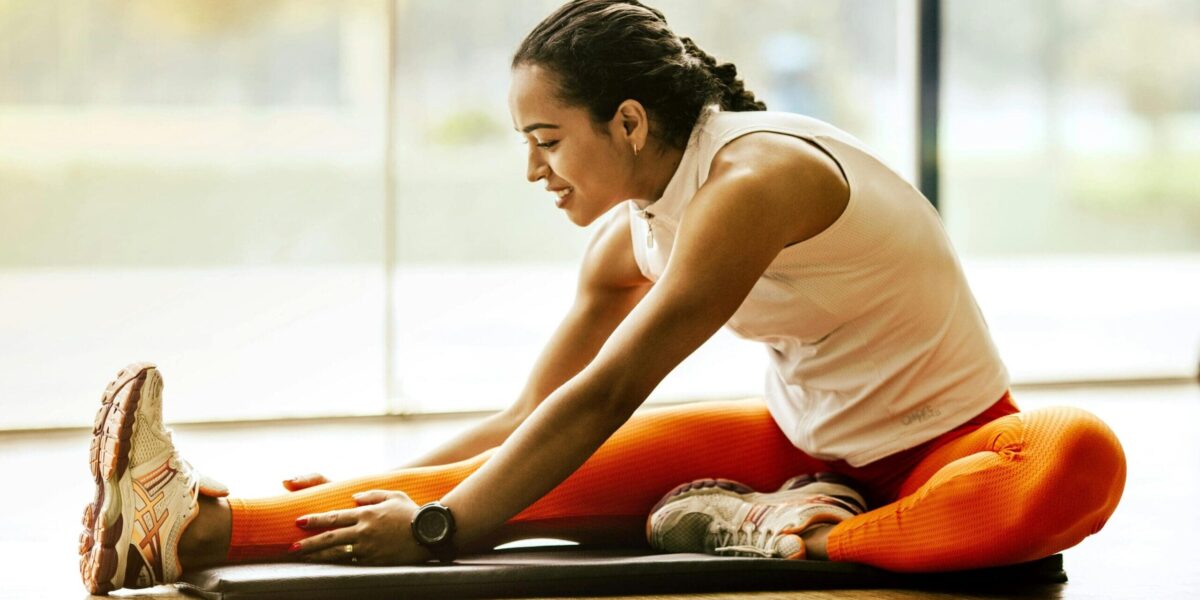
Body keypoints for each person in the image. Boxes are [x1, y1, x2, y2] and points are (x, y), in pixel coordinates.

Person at [78, 0, 1126, 594]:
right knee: (499, 479)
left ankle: (790, 536)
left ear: (627, 122)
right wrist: (394, 484)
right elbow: (531, 421)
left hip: (954, 449)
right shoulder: (632, 233)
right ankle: (179, 527)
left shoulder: (757, 183)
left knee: (1081, 459)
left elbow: (617, 386)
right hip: (802, 450)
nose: (534, 170)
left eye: (546, 140)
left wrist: (444, 529)